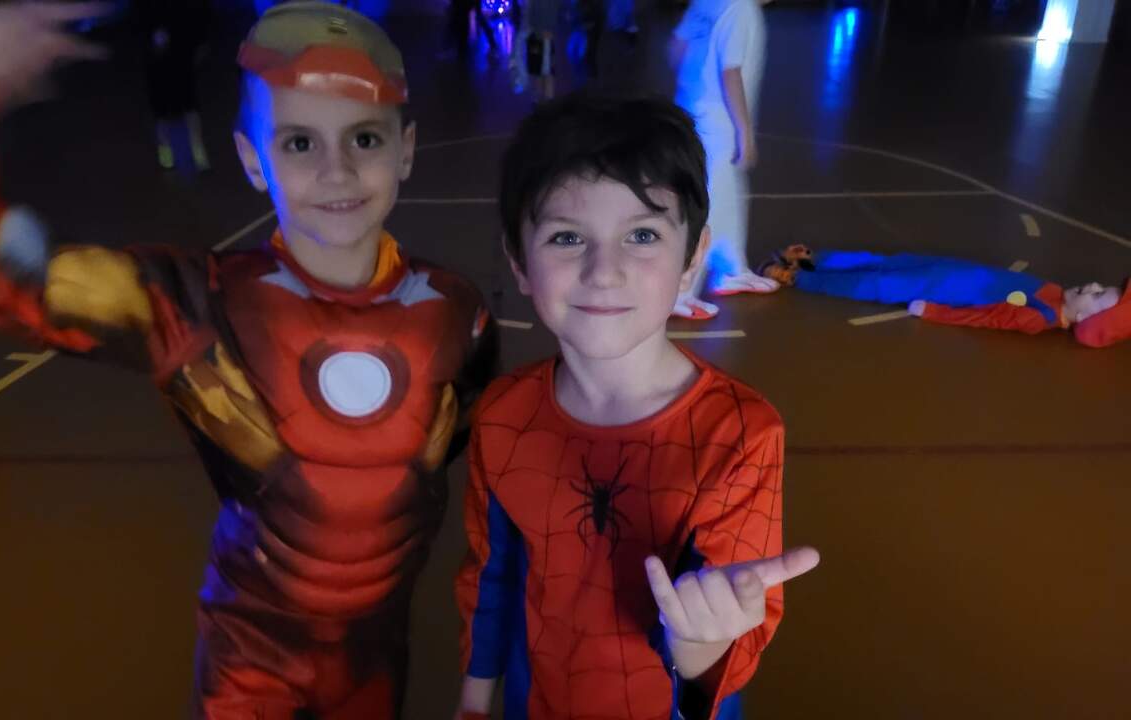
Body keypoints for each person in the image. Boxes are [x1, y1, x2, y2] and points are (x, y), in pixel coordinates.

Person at [0, 3, 498, 717]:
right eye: (299, 143)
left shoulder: (459, 316)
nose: (336, 170)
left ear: (405, 149)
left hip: (373, 665)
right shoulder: (191, 302)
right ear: (252, 159)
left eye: (364, 138)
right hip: (250, 665)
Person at [452, 93, 819, 720]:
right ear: (519, 260)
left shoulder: (742, 433)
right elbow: (492, 575)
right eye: (568, 237)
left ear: (692, 258)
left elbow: (728, 648)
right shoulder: (502, 414)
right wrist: (473, 700)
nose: (605, 271)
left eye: (642, 235)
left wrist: (700, 640)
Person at [760, 245, 1131, 348]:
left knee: (874, 284)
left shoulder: (1039, 316)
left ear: (1086, 319)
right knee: (884, 263)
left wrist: (934, 312)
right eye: (1100, 285)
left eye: (1098, 296)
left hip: (938, 288)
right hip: (946, 269)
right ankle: (817, 259)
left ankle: (799, 278)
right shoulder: (1052, 291)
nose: (1092, 285)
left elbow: (987, 318)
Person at [672, 0, 778, 313]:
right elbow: (731, 72)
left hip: (692, 109)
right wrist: (744, 131)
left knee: (729, 193)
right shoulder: (743, 9)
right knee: (713, 204)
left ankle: (732, 269)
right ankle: (681, 291)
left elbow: (676, 48)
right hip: (719, 121)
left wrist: (694, 84)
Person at [133, 0, 213, 171]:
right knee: (163, 108)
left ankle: (196, 153)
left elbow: (198, 12)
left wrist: (200, 40)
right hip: (158, 56)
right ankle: (167, 153)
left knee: (187, 105)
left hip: (180, 50)